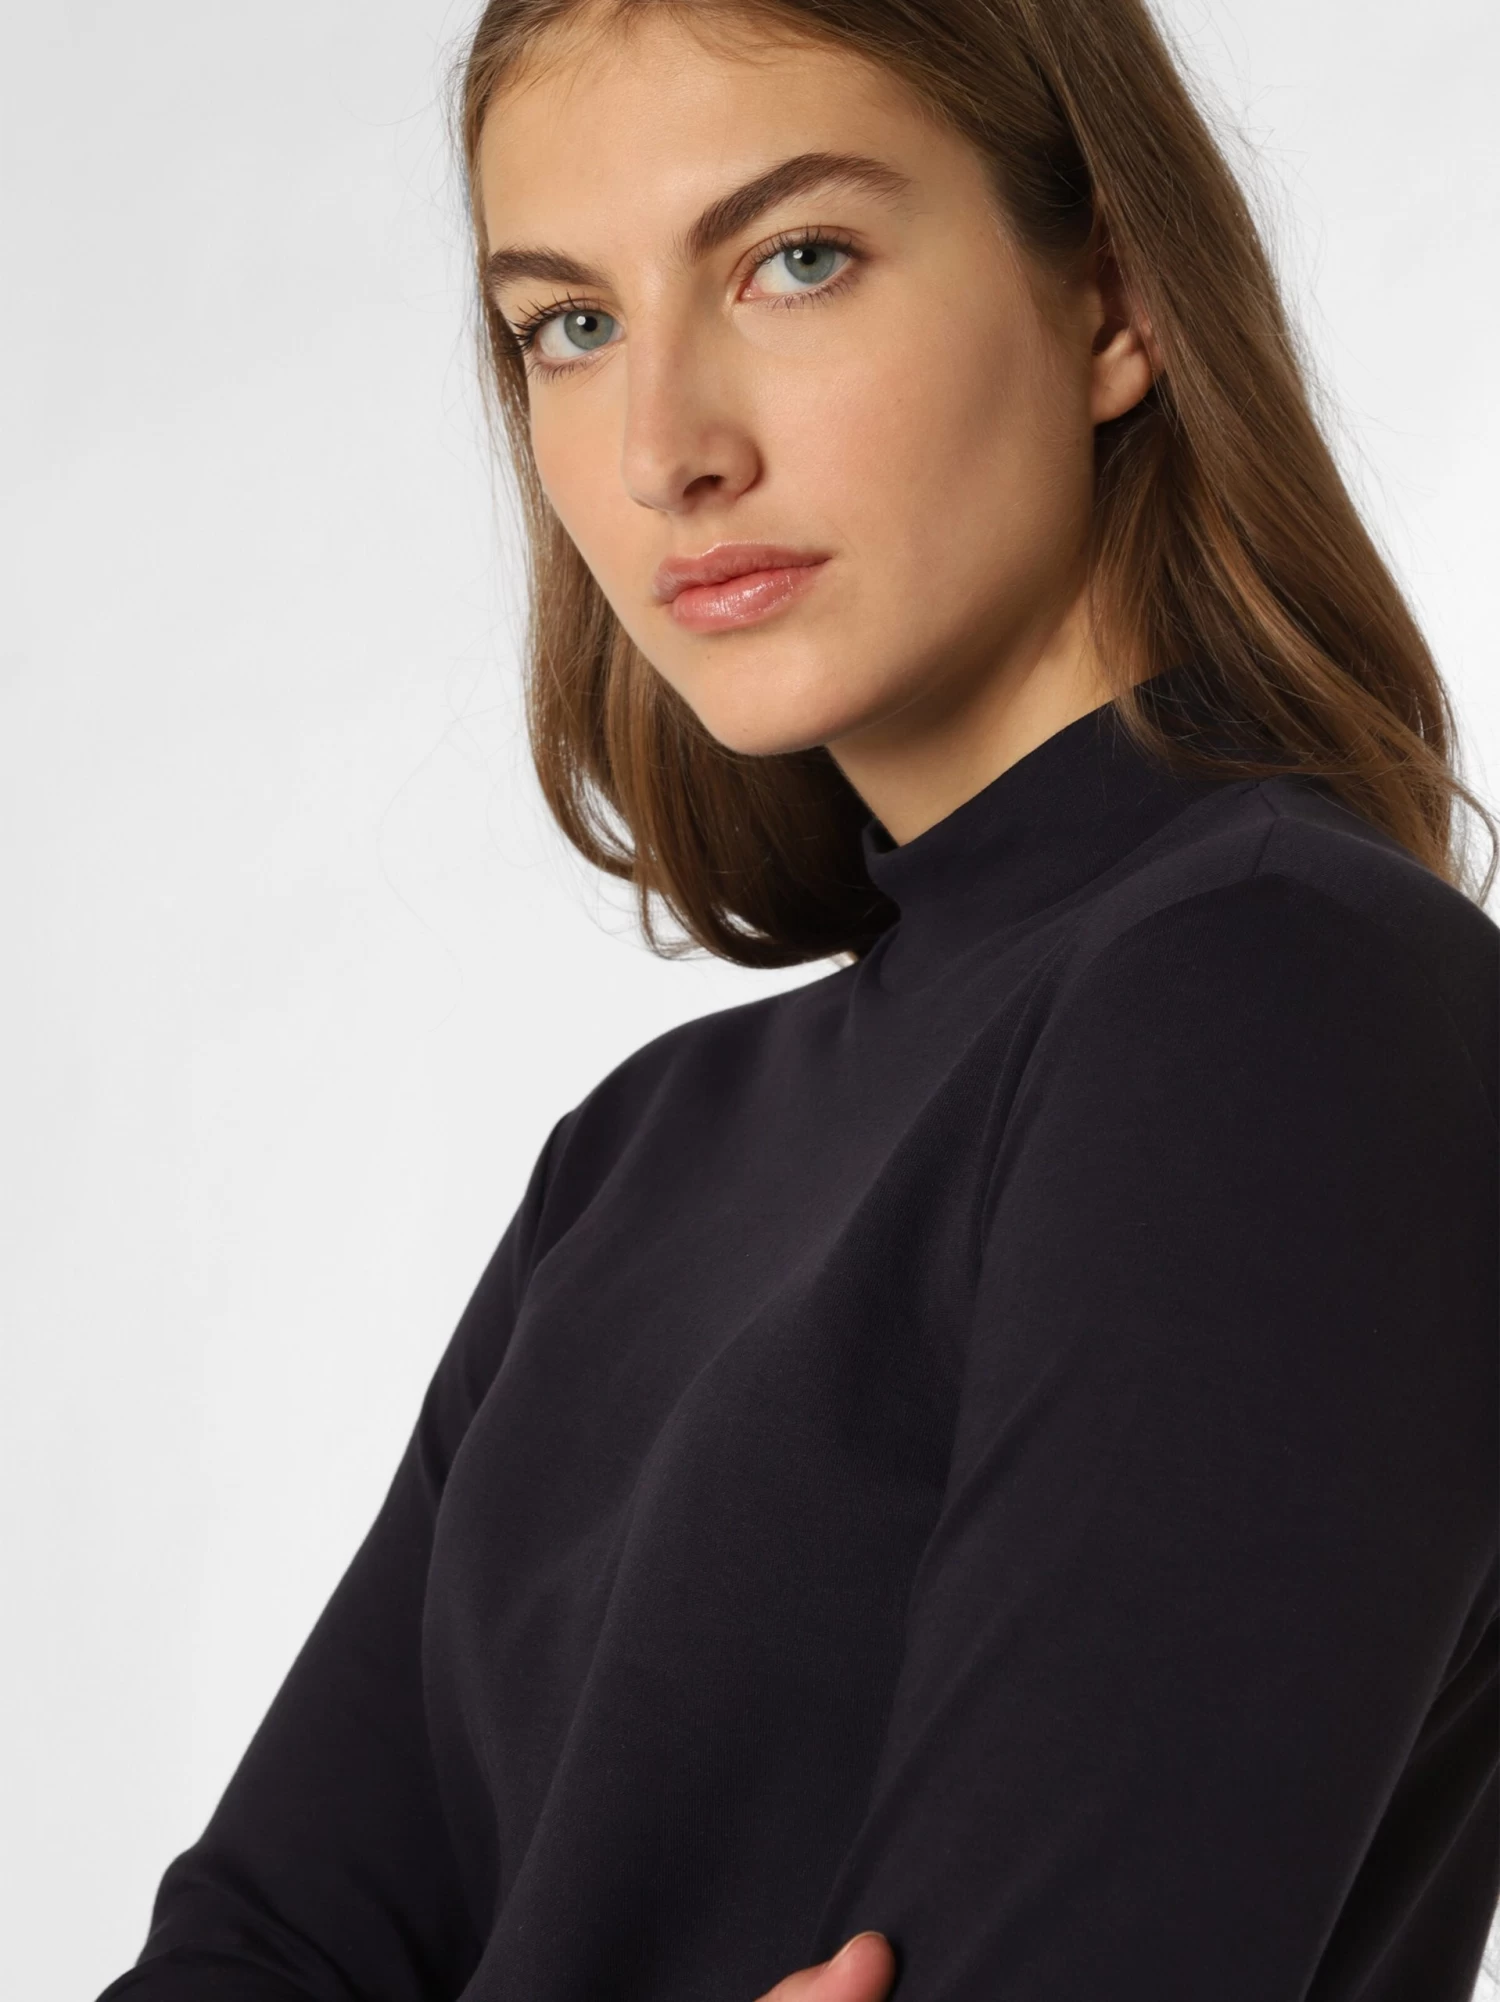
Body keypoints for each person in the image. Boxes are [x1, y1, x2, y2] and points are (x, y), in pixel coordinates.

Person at [96, 1, 1499, 1998]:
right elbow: (252, 1947)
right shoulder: (643, 1154)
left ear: (1114, 297)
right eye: (571, 323)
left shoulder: (1285, 1004)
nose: (666, 448)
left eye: (797, 258)